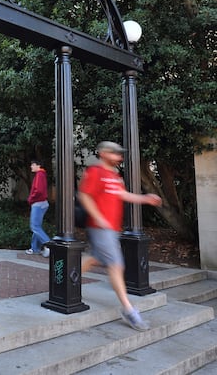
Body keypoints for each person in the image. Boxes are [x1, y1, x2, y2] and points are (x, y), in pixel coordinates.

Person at [78, 141, 162, 331]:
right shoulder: (95, 172)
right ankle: (128, 309)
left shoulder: (114, 175)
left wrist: (145, 199)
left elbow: (122, 195)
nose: (119, 156)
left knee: (95, 259)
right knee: (116, 265)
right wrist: (99, 218)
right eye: (114, 153)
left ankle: (68, 282)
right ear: (102, 153)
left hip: (111, 229)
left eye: (119, 154)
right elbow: (84, 195)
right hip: (101, 228)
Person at [26, 160, 51, 258]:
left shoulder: (39, 175)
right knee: (37, 227)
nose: (31, 166)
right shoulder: (41, 174)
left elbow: (38, 190)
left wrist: (30, 199)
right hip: (42, 203)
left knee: (34, 227)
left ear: (38, 165)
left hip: (38, 203)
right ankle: (35, 248)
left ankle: (49, 245)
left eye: (33, 164)